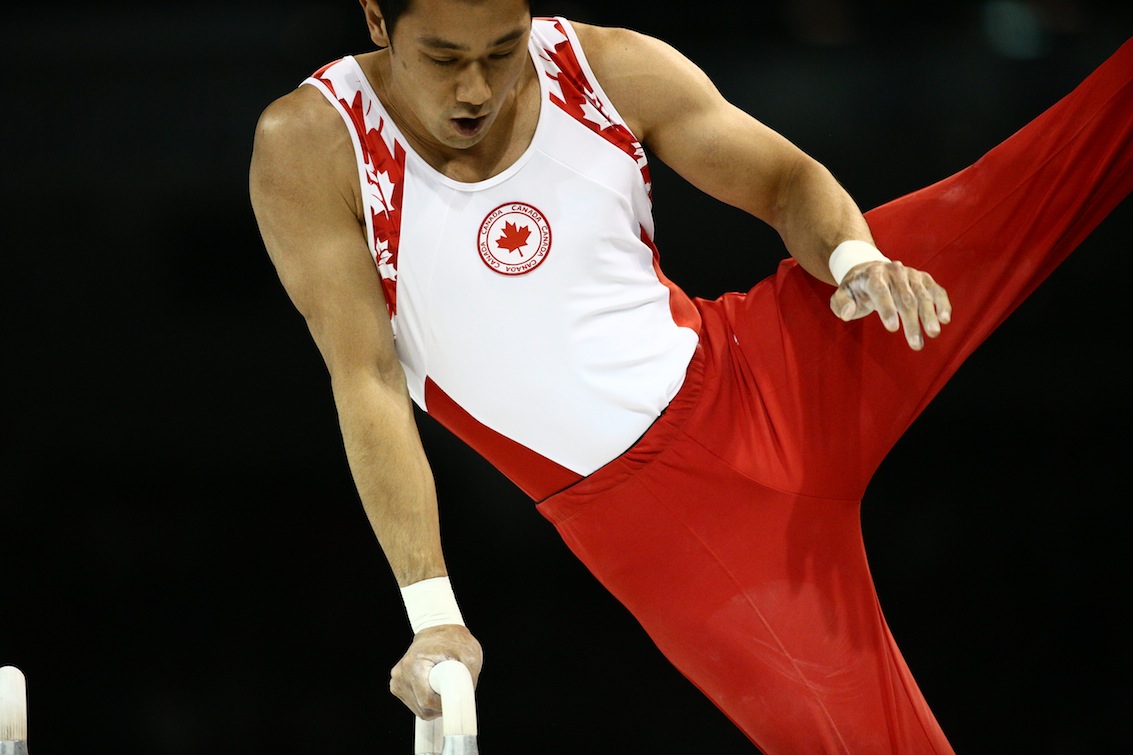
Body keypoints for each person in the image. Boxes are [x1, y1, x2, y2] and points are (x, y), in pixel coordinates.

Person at [248, 0, 1132, 750]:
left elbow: (786, 181)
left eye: (499, 51)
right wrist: (431, 610)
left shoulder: (607, 68)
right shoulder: (313, 144)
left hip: (779, 354)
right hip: (678, 529)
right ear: (376, 20)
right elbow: (363, 378)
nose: (475, 88)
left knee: (1065, 155)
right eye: (443, 58)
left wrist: (856, 260)